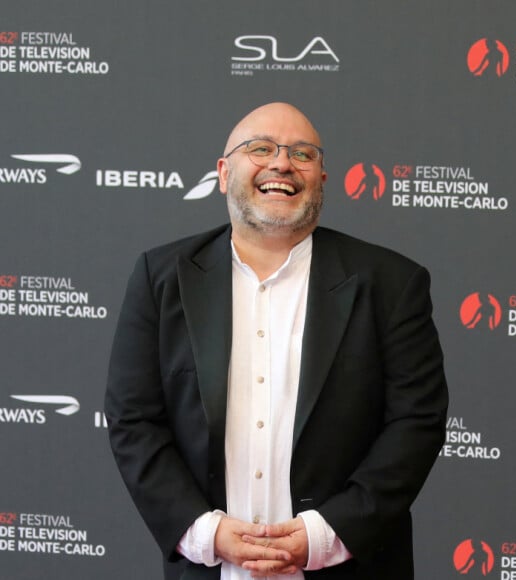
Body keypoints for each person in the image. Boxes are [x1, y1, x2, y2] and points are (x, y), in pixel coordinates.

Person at [105, 102, 448, 580]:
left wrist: (326, 533)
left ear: (322, 178)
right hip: (210, 568)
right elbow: (133, 420)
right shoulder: (160, 278)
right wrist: (204, 531)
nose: (281, 163)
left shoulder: (392, 284)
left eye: (302, 154)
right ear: (224, 173)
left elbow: (417, 423)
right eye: (260, 148)